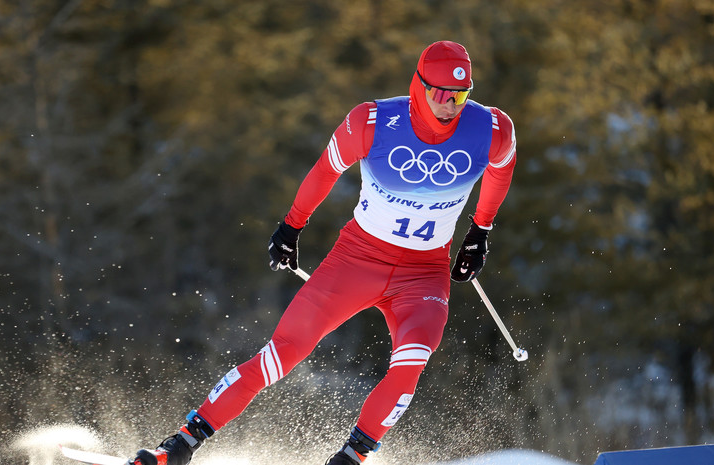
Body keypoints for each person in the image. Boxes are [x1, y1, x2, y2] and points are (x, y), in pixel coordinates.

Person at [128, 40, 517, 465]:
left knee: (412, 360)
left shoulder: (492, 128)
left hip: (423, 273)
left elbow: (502, 169)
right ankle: (181, 444)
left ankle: (351, 457)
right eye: (440, 93)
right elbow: (326, 170)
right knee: (282, 353)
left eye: (460, 95)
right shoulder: (372, 121)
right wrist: (291, 226)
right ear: (418, 84)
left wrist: (480, 230)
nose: (449, 105)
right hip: (357, 260)